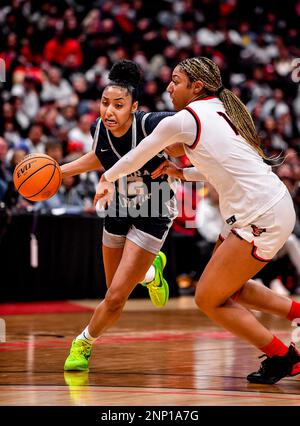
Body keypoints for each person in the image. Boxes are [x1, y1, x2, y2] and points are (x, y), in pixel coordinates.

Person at [95, 56, 300, 385]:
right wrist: (181, 172)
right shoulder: (220, 108)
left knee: (207, 298)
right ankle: (297, 317)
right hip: (262, 207)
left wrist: (108, 178)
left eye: (176, 81)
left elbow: (140, 153)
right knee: (230, 292)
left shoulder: (184, 119)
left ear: (197, 87)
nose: (168, 87)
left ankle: (284, 358)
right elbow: (220, 166)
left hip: (260, 214)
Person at [63, 60, 179, 371]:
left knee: (115, 298)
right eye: (104, 103)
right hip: (120, 204)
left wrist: (185, 162)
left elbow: (191, 129)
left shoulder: (152, 124)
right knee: (113, 287)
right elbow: (99, 155)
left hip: (154, 208)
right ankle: (151, 273)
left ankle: (82, 342)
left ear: (134, 106)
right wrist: (60, 171)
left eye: (118, 105)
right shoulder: (98, 128)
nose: (109, 111)